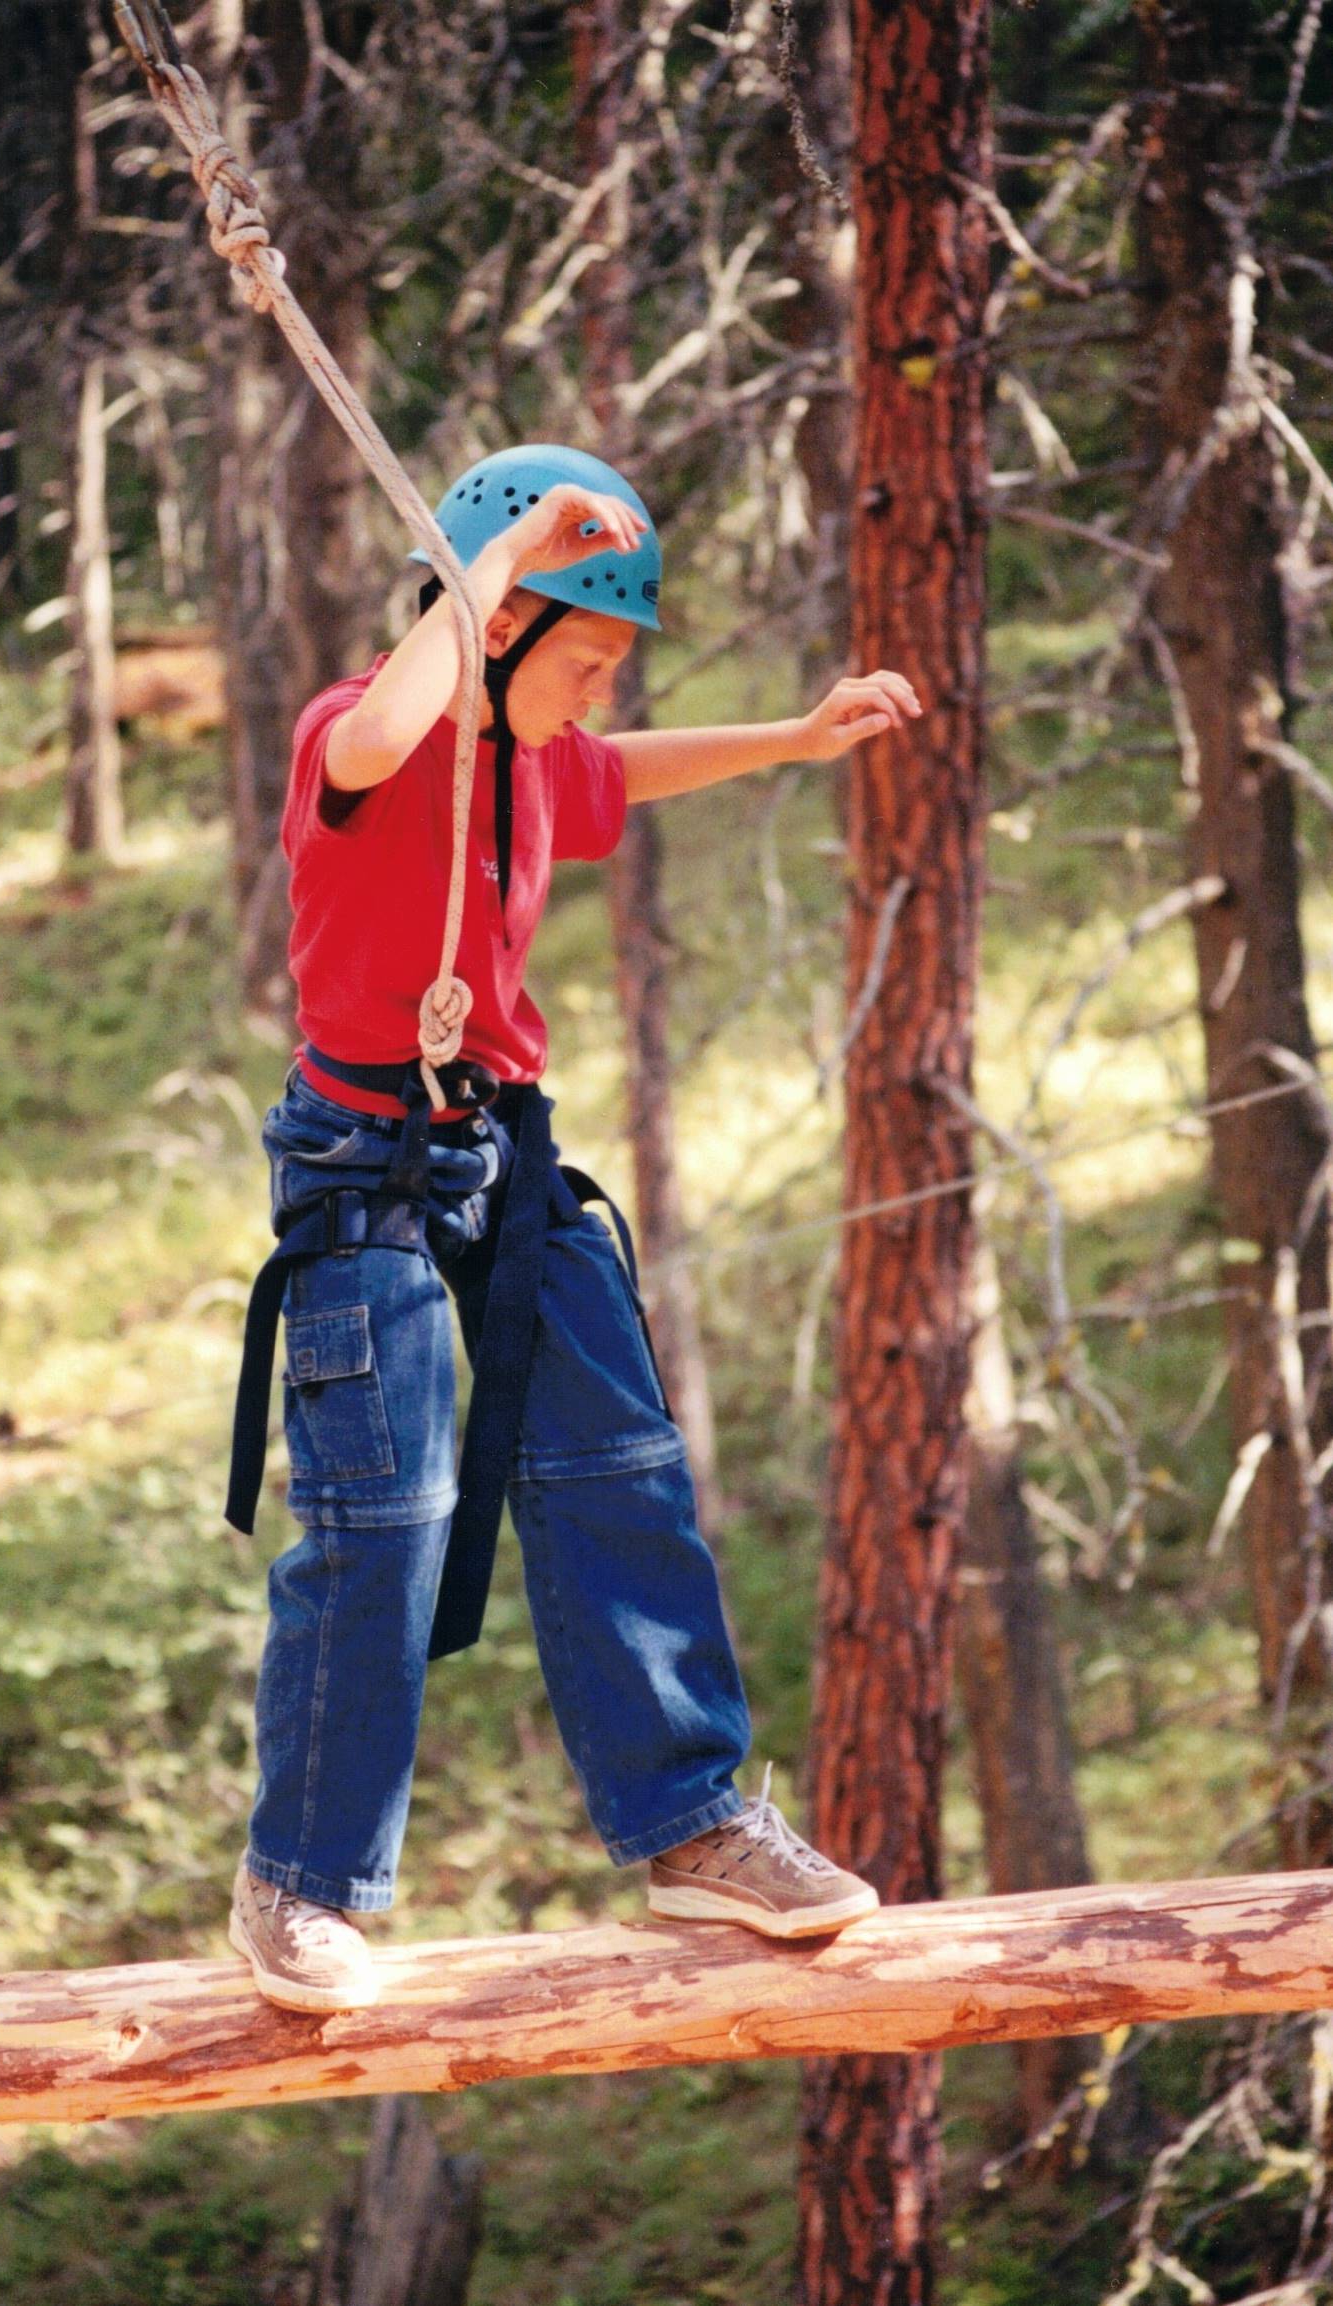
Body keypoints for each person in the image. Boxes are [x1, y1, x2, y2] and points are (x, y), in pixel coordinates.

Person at [224, 444, 923, 2011]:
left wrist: (796, 741)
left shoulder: (541, 764)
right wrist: (489, 578)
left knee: (615, 1464)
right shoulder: (364, 733)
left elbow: (627, 769)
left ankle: (690, 1827)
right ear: (499, 624)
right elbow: (402, 719)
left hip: (494, 1155)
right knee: (382, 1515)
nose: (597, 694)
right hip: (359, 1169)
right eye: (583, 658)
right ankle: (301, 1883)